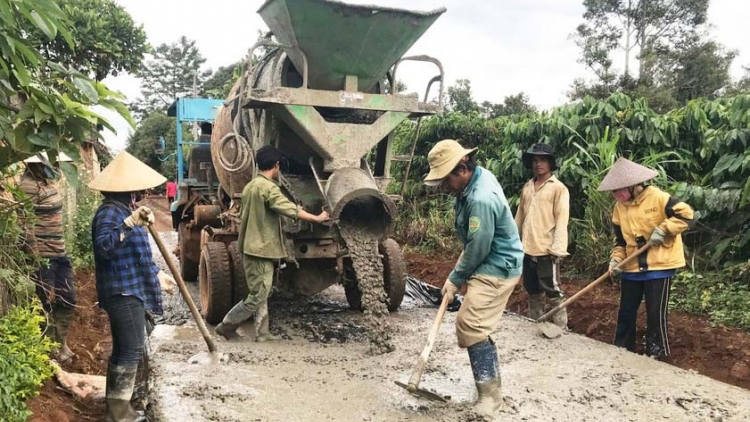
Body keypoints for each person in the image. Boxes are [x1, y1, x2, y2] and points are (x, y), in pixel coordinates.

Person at [423, 139, 523, 416]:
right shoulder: (475, 182)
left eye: (446, 179)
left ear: (463, 168)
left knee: (470, 324)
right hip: (487, 259)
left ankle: (490, 399)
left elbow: (478, 246)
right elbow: (474, 244)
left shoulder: (480, 198)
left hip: (497, 265)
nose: (444, 186)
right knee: (476, 326)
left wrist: (456, 278)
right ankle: (491, 387)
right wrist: (456, 277)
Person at [89, 151, 177, 422]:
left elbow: (137, 253)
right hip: (121, 291)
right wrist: (128, 225)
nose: (141, 191)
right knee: (130, 349)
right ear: (128, 189)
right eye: (138, 188)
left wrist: (156, 273)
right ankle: (118, 414)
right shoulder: (109, 212)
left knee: (127, 348)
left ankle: (123, 406)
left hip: (132, 287)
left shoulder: (125, 209)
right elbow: (104, 247)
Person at [214, 146, 329, 341]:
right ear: (276, 166)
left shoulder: (251, 185)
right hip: (259, 248)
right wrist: (317, 218)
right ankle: (226, 325)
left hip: (255, 247)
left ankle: (263, 333)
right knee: (259, 294)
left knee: (262, 291)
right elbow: (288, 208)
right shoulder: (268, 187)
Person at [598, 157, 694, 359]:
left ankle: (656, 353)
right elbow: (620, 242)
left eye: (620, 190)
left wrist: (665, 229)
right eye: (614, 191)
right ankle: (623, 349)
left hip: (660, 264)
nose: (617, 194)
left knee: (654, 314)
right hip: (632, 265)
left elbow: (686, 215)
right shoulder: (619, 208)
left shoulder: (657, 197)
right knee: (626, 311)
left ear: (633, 185)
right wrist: (615, 260)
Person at [18, 152, 77, 363]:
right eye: (53, 163)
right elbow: (23, 223)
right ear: (38, 164)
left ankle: (61, 344)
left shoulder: (46, 182)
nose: (57, 166)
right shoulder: (27, 186)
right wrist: (34, 255)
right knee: (45, 302)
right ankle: (47, 350)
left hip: (59, 252)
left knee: (68, 299)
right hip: (43, 256)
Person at [514, 143, 570, 328]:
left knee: (552, 289)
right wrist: (513, 241)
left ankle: (562, 327)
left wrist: (558, 248)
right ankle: (535, 322)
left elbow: (562, 219)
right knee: (532, 289)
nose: (538, 164)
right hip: (527, 248)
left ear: (550, 164)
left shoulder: (558, 188)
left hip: (547, 249)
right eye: (535, 160)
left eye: (543, 160)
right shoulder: (528, 187)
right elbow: (519, 217)